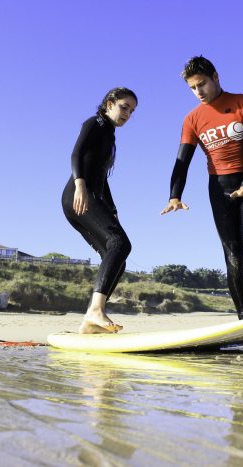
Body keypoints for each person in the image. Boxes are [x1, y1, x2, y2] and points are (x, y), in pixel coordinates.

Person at [161, 56, 243, 320]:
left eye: (202, 84)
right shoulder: (192, 119)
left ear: (215, 76)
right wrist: (175, 195)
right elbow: (182, 160)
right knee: (233, 255)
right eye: (192, 88)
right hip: (219, 188)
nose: (198, 92)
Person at [62, 87, 137, 334]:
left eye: (132, 111)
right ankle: (95, 310)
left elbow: (102, 177)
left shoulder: (110, 135)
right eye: (124, 107)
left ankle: (89, 323)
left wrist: (112, 209)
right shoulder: (94, 123)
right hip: (79, 193)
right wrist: (80, 184)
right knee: (120, 243)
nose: (127, 113)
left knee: (117, 256)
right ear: (109, 103)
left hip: (92, 196)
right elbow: (77, 153)